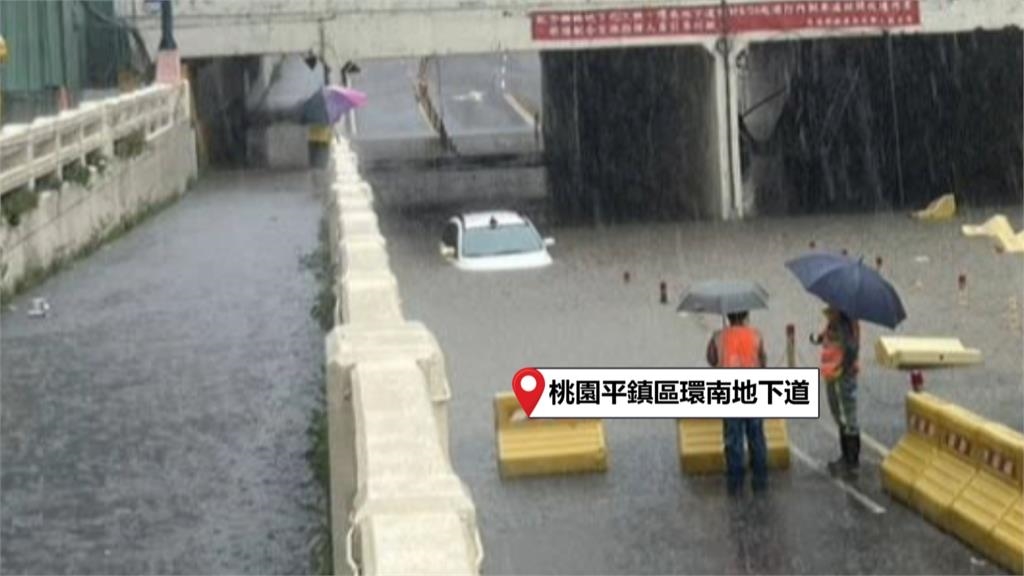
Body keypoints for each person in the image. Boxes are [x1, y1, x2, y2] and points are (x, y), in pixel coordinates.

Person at [707, 311, 768, 495]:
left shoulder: (718, 336)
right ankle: (760, 477)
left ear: (728, 317)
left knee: (733, 438)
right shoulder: (756, 334)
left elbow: (711, 359)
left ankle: (736, 481)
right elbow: (763, 361)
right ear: (746, 316)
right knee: (756, 436)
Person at [812, 305, 861, 477]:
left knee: (847, 418)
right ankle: (845, 457)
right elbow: (828, 338)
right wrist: (818, 338)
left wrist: (843, 368)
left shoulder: (846, 324)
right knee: (839, 416)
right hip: (831, 374)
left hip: (841, 376)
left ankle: (851, 460)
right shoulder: (834, 323)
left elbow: (851, 349)